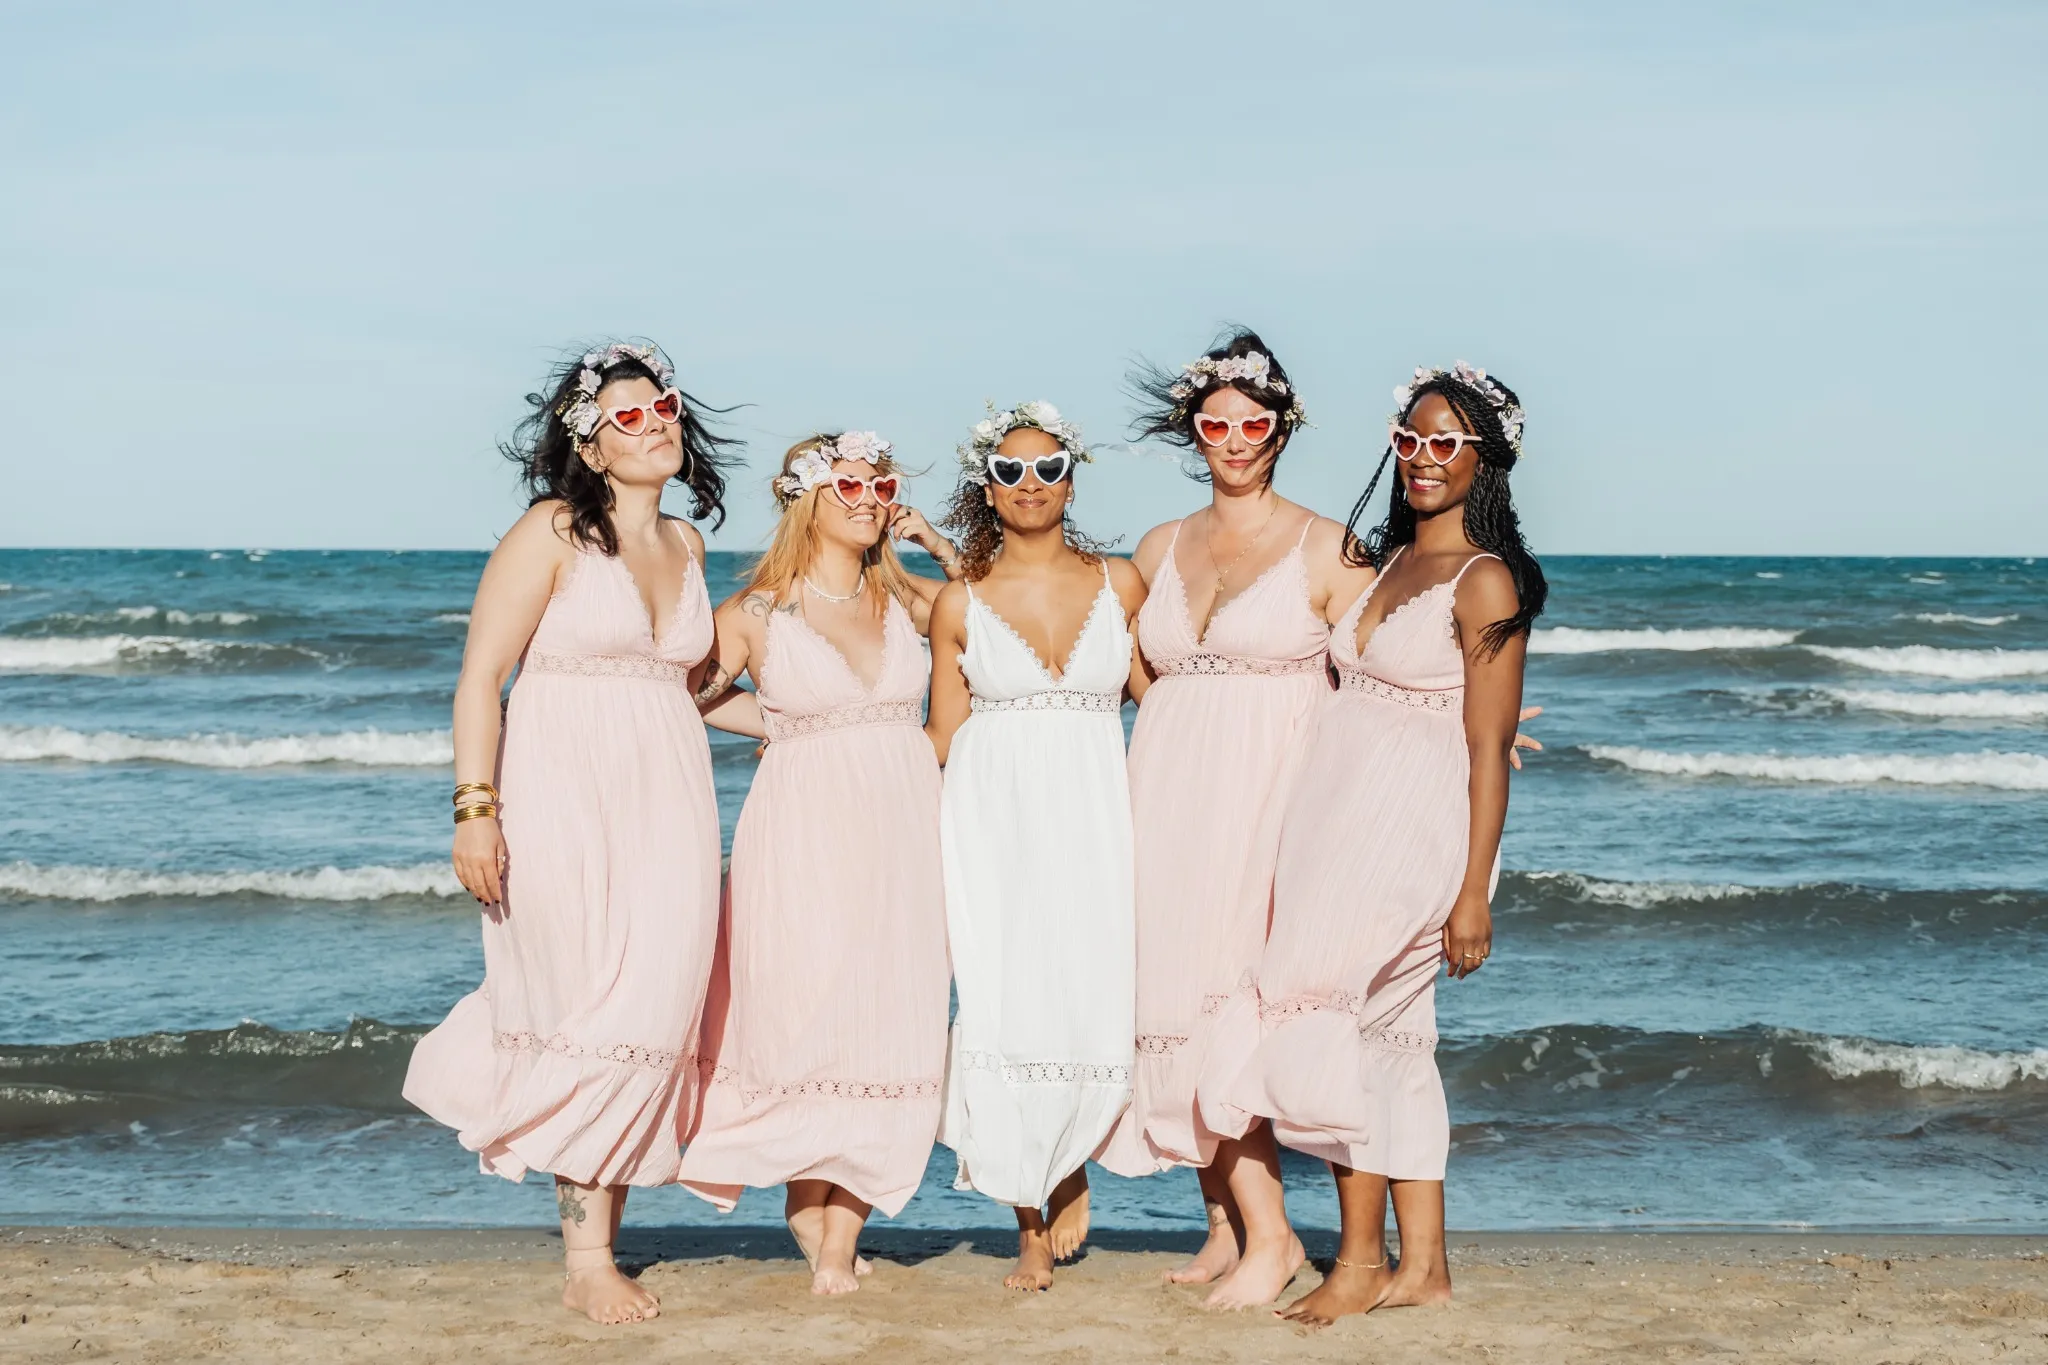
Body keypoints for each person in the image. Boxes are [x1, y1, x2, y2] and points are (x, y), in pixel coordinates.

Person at [403, 340, 739, 1325]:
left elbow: (694, 689)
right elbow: (479, 680)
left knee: (651, 1010)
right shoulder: (549, 531)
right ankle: (589, 1258)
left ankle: (600, 1238)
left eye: (664, 406)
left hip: (670, 806)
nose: (654, 425)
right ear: (588, 446)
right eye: (627, 417)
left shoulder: (687, 547)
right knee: (586, 1008)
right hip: (560, 799)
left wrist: (832, 723)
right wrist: (475, 811)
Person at [1222, 361, 1546, 1326]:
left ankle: (1360, 1258)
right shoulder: (1391, 562)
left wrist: (1474, 891)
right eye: (1409, 439)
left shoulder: (1485, 579)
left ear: (1486, 459)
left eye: (1445, 442)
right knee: (1392, 1040)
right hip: (1336, 815)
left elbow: (1485, 744)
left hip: (1411, 828)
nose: (1422, 458)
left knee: (1328, 1018)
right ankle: (1427, 1267)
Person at [678, 431, 962, 1295]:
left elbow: (990, 631)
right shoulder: (758, 613)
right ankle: (813, 1203)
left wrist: (938, 548)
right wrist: (787, 728)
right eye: (852, 483)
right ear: (807, 496)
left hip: (906, 827)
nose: (872, 495)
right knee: (806, 1008)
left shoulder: (913, 603)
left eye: (883, 482)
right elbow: (681, 699)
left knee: (888, 1012)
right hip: (801, 833)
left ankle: (842, 1225)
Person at [925, 402, 1147, 1291]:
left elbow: (1178, 703)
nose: (1031, 485)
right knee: (1005, 997)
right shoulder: (957, 602)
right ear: (989, 486)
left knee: (1093, 984)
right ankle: (1027, 1211)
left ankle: (1073, 1156)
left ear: (1071, 477)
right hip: (993, 820)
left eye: (1048, 467)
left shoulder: (1122, 583)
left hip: (1097, 815)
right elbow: (941, 738)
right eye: (1011, 471)